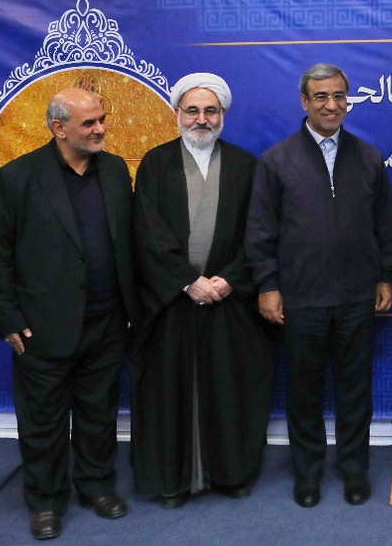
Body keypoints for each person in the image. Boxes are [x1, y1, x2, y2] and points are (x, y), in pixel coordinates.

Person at [0, 87, 136, 541]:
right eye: (89, 123)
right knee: (43, 422)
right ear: (59, 128)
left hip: (108, 321)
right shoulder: (16, 177)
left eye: (101, 119)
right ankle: (46, 501)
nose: (100, 129)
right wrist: (7, 317)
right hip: (41, 326)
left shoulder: (115, 170)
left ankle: (96, 487)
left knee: (98, 414)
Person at [246, 62, 392, 508]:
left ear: (346, 100)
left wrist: (384, 275)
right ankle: (308, 473)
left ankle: (354, 470)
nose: (331, 105)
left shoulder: (368, 157)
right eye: (321, 97)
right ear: (304, 102)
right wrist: (268, 286)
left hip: (357, 295)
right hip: (301, 297)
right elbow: (260, 232)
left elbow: (386, 224)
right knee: (303, 391)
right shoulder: (276, 161)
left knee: (355, 390)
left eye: (338, 96)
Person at [130, 73, 278, 508]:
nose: (201, 119)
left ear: (223, 115)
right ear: (177, 113)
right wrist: (186, 280)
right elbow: (147, 231)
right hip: (171, 302)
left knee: (229, 390)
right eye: (192, 110)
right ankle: (171, 481)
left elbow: (259, 231)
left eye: (210, 111)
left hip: (230, 299)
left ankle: (231, 474)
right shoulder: (155, 163)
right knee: (169, 393)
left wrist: (228, 278)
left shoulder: (245, 165)